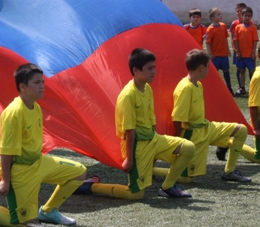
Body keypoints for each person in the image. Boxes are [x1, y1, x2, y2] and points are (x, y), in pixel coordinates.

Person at [0, 63, 87, 226]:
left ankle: (48, 211)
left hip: (38, 163)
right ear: (22, 87)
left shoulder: (35, 106)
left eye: (42, 82)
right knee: (19, 223)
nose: (42, 86)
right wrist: (6, 181)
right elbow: (6, 151)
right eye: (37, 83)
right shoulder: (14, 113)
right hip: (19, 171)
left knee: (79, 172)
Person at [77, 49, 195, 199]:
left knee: (188, 148)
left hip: (153, 139)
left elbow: (151, 120)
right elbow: (129, 131)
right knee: (135, 195)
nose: (154, 71)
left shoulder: (148, 88)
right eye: (150, 68)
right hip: (137, 147)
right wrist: (129, 159)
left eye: (154, 67)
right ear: (136, 70)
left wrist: (156, 145)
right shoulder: (128, 95)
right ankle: (92, 185)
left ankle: (167, 187)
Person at [159, 49, 251, 183]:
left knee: (241, 130)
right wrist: (182, 142)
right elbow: (177, 119)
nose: (210, 69)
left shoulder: (198, 84)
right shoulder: (185, 87)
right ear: (201, 68)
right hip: (194, 135)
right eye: (209, 66)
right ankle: (153, 171)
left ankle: (229, 172)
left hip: (206, 127)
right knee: (186, 179)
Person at [205, 8, 233, 93]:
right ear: (212, 18)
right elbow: (208, 42)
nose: (221, 16)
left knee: (226, 70)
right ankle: (213, 88)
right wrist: (209, 53)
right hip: (215, 55)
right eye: (218, 14)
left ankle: (229, 87)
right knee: (214, 72)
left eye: (220, 14)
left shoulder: (223, 26)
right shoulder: (210, 29)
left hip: (223, 54)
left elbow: (225, 39)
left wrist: (228, 49)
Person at [233, 6, 258, 96]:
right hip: (241, 55)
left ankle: (253, 87)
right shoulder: (238, 27)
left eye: (249, 16)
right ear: (241, 16)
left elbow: (255, 40)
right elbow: (236, 40)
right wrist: (238, 52)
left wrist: (253, 52)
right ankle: (242, 87)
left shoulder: (253, 27)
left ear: (251, 17)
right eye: (245, 15)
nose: (247, 17)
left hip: (249, 55)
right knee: (241, 71)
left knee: (252, 71)